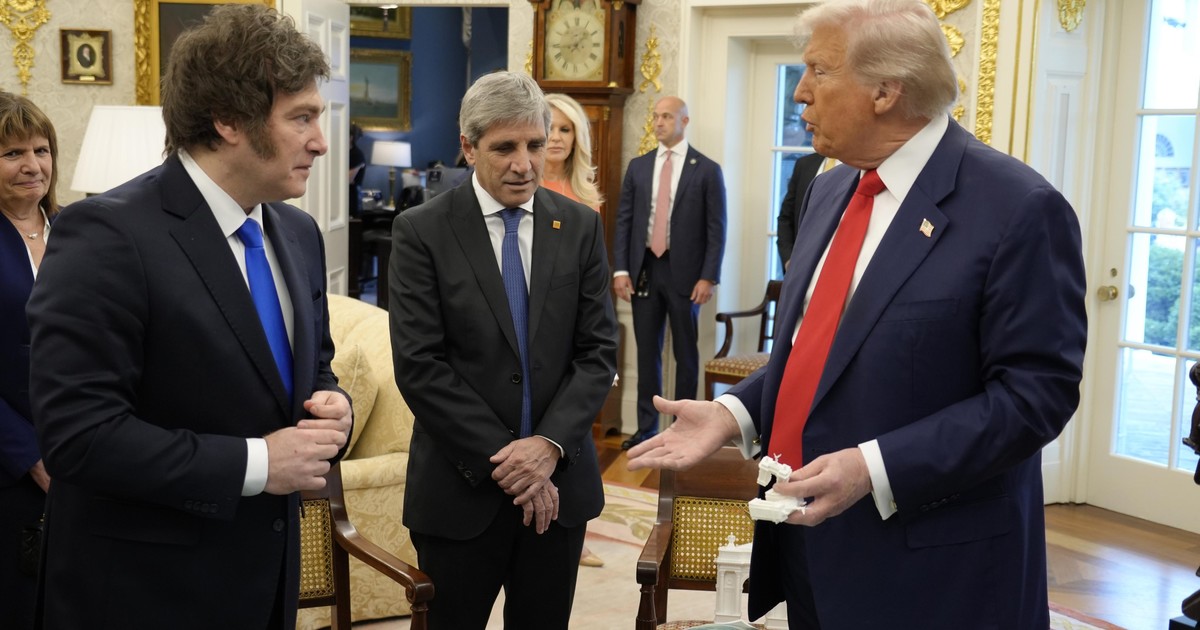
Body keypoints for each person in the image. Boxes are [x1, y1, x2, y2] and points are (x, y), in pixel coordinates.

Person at [627, 1, 1087, 628]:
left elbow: (1036, 398)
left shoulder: (1019, 208)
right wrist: (734, 412)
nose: (801, 93)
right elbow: (822, 353)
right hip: (809, 548)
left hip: (935, 572)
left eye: (818, 70)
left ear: (885, 91)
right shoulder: (830, 188)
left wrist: (873, 469)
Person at [27, 6, 352, 629]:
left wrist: (334, 407)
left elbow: (314, 370)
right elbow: (78, 437)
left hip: (266, 584)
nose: (321, 141)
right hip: (145, 594)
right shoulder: (107, 235)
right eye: (301, 117)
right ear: (228, 120)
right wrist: (260, 464)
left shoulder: (299, 233)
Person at [389, 71, 617, 630]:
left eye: (535, 145)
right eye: (504, 148)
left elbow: (597, 352)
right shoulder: (421, 231)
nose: (524, 164)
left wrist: (549, 446)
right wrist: (514, 461)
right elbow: (420, 366)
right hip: (459, 492)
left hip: (560, 489)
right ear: (468, 148)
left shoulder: (580, 226)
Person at [612, 95, 726, 450]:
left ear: (684, 121)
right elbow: (624, 221)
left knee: (686, 355)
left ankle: (685, 428)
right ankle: (646, 427)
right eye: (655, 116)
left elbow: (716, 228)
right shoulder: (639, 166)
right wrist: (621, 270)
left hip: (687, 275)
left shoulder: (706, 169)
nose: (658, 122)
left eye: (666, 116)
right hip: (645, 270)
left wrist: (708, 276)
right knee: (647, 352)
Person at [0, 91, 57, 630]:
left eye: (41, 150)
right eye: (12, 153)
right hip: (11, 462)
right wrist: (29, 454)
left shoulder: (80, 229)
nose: (32, 165)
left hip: (90, 449)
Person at [544, 91, 607, 569]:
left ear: (577, 138)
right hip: (532, 339)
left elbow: (593, 285)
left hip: (575, 341)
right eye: (549, 126)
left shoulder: (586, 200)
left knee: (571, 431)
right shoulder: (515, 189)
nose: (555, 137)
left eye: (566, 129)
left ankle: (571, 525)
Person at [775, 152, 830, 270]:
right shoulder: (804, 164)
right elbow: (786, 218)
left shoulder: (858, 167)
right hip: (800, 267)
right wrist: (788, 259)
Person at [349, 123, 366, 216]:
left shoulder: (357, 154)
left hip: (352, 198)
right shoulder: (344, 153)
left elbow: (347, 179)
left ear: (351, 137)